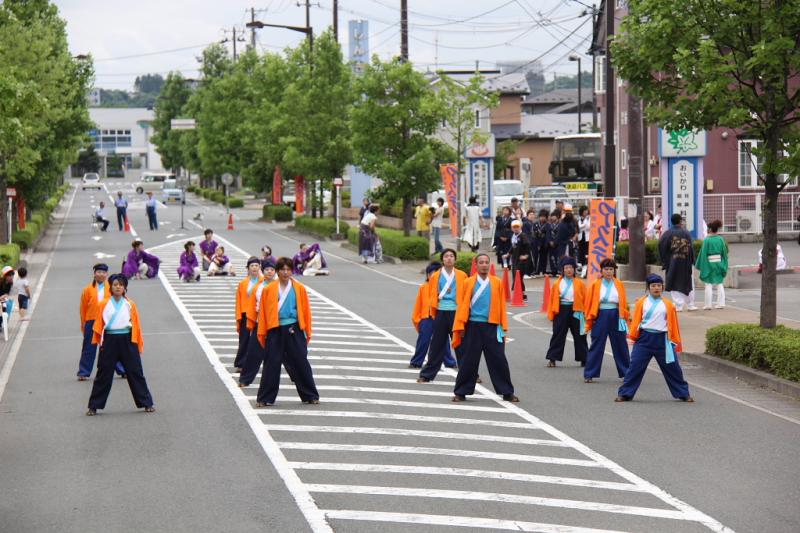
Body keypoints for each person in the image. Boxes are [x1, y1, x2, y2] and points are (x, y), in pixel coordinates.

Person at [451, 253, 518, 403]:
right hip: (472, 326)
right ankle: (460, 392)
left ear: (489, 264)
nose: (484, 265)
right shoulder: (468, 282)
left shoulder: (497, 282)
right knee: (468, 361)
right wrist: (461, 325)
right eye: (481, 262)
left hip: (492, 325)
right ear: (476, 265)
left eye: (486, 262)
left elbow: (501, 306)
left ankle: (507, 392)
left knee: (499, 360)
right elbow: (462, 306)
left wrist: (502, 326)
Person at [616, 274, 693, 403]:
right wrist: (632, 336)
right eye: (653, 286)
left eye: (659, 285)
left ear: (662, 288)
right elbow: (636, 321)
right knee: (635, 367)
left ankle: (683, 393)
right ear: (648, 288)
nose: (656, 288)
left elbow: (673, 324)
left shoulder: (668, 304)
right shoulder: (641, 302)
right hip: (644, 339)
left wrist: (674, 340)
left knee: (673, 368)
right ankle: (625, 394)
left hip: (663, 339)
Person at [86, 273, 155, 416]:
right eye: (115, 285)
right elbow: (99, 323)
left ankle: (146, 402)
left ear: (125, 288)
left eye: (121, 285)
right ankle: (94, 406)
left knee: (135, 371)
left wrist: (138, 343)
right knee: (103, 373)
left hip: (127, 339)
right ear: (110, 287)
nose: (118, 287)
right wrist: (99, 341)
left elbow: (137, 325)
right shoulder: (103, 303)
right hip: (110, 339)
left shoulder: (130, 304)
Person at [255, 257, 320, 406]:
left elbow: (305, 311)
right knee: (271, 363)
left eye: (288, 269)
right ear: (277, 271)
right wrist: (263, 331)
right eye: (282, 270)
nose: (285, 272)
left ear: (292, 271)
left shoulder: (299, 289)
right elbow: (264, 313)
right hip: (275, 328)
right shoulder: (268, 289)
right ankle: (265, 398)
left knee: (301, 361)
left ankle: (310, 395)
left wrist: (306, 330)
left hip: (293, 328)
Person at [417, 249, 465, 382]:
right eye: (446, 256)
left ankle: (469, 373)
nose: (449, 258)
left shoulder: (462, 275)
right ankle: (427, 375)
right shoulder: (435, 276)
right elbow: (433, 294)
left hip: (456, 312)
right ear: (442, 260)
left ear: (455, 259)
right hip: (441, 311)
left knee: (461, 344)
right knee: (437, 344)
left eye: (451, 256)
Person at [584, 258, 631, 383]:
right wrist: (589, 318)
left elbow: (624, 302)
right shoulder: (595, 284)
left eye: (611, 269)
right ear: (601, 270)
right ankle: (590, 373)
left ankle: (626, 372)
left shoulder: (619, 284)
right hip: (600, 315)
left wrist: (625, 317)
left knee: (621, 344)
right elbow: (589, 302)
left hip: (616, 314)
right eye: (606, 269)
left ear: (614, 270)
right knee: (597, 344)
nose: (609, 272)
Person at [78, 264, 126, 380]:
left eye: (103, 272)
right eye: (98, 272)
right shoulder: (87, 290)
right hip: (91, 320)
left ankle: (122, 370)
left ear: (107, 274)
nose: (101, 274)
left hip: (107, 320)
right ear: (94, 274)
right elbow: (83, 308)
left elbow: (118, 302)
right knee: (89, 347)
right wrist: (84, 323)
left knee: (111, 347)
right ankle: (84, 372)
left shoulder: (111, 288)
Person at [238, 260, 279, 387]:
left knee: (288, 354)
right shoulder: (258, 287)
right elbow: (252, 306)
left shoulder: (280, 286)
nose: (269, 272)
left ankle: (298, 378)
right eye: (267, 269)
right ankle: (245, 379)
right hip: (260, 322)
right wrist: (251, 323)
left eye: (272, 269)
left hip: (277, 323)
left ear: (275, 271)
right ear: (263, 271)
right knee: (254, 352)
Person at [409, 262, 456, 369]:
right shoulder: (423, 287)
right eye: (431, 274)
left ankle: (449, 361)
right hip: (426, 317)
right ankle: (416, 361)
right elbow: (419, 304)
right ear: (427, 275)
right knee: (423, 340)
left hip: (441, 316)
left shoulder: (445, 287)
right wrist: (417, 318)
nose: (433, 277)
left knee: (443, 341)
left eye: (436, 274)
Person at [545, 257, 588, 367]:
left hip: (576, 310)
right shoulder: (557, 284)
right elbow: (551, 300)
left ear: (574, 269)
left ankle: (584, 358)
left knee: (580, 335)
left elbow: (586, 300)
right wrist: (551, 314)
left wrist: (586, 314)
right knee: (558, 334)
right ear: (563, 270)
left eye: (571, 268)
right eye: (566, 268)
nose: (569, 270)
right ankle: (552, 358)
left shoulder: (580, 284)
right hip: (561, 310)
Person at [658, 213, 697, 311]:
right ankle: (690, 304)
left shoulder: (668, 233)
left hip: (673, 262)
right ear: (680, 221)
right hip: (686, 261)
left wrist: (665, 259)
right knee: (688, 282)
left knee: (673, 280)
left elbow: (661, 244)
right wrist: (692, 260)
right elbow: (691, 248)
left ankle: (678, 305)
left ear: (671, 221)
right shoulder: (686, 233)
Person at [234, 257, 263, 372]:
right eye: (252, 266)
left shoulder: (264, 281)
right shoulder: (243, 283)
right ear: (248, 268)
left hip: (259, 313)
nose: (254, 268)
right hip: (246, 313)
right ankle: (241, 363)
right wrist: (239, 316)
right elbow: (239, 300)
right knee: (244, 339)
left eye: (256, 265)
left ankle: (257, 362)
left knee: (260, 339)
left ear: (260, 267)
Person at [695, 220, 728, 310]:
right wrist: (724, 264)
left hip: (709, 263)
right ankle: (721, 303)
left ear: (709, 229)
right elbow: (724, 253)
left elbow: (703, 253)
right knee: (719, 283)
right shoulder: (720, 239)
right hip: (719, 263)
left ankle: (708, 305)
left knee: (708, 284)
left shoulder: (707, 240)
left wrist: (701, 265)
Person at [506, 219, 531, 300]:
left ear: (520, 227)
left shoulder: (523, 236)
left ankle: (521, 293)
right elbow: (513, 247)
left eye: (517, 227)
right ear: (512, 228)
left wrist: (526, 255)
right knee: (515, 276)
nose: (516, 229)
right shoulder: (513, 236)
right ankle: (521, 294)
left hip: (522, 260)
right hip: (515, 259)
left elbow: (528, 245)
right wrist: (508, 254)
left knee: (518, 276)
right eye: (514, 227)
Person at [532, 209, 550, 277]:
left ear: (546, 217)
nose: (542, 218)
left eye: (544, 217)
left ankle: (544, 270)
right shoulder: (535, 224)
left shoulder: (548, 225)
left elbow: (548, 235)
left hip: (544, 244)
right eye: (541, 216)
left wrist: (546, 244)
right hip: (536, 243)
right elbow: (534, 234)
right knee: (536, 257)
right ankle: (536, 271)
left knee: (544, 258)